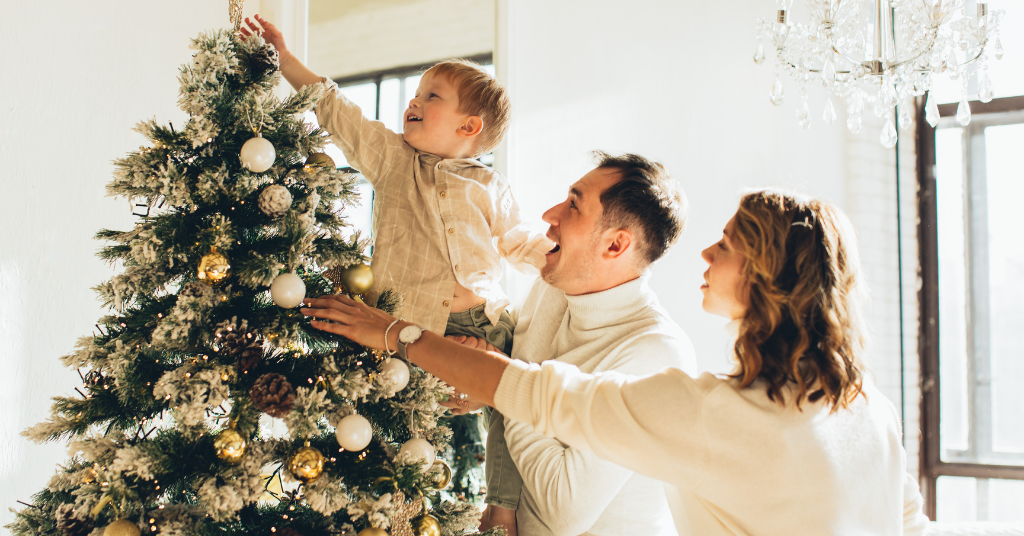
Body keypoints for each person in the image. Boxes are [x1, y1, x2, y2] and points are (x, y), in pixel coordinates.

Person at [302, 189, 931, 536]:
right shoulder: (867, 405)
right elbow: (907, 523)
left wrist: (393, 333)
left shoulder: (708, 412)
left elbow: (527, 390)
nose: (706, 251)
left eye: (730, 242)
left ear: (767, 276)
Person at [240, 16, 552, 534]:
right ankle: (381, 511)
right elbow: (338, 112)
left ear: (468, 127)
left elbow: (520, 241)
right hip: (409, 325)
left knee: (511, 403)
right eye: (417, 91)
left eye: (432, 96)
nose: (414, 100)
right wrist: (285, 59)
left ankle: (501, 510)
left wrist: (559, 259)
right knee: (398, 422)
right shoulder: (392, 160)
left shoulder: (490, 186)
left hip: (482, 322)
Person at [446, 153, 693, 535]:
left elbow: (564, 510)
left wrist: (500, 384)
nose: (550, 213)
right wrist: (487, 382)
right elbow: (518, 395)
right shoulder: (553, 289)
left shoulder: (656, 355)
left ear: (615, 245)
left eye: (574, 205)